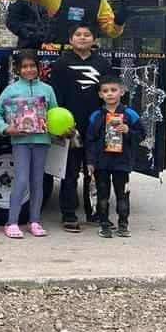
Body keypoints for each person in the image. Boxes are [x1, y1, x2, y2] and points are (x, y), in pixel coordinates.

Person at [46, 23, 112, 230]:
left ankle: (95, 212)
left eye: (87, 34)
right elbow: (55, 99)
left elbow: (110, 95)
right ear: (70, 39)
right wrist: (61, 126)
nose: (82, 38)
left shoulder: (102, 64)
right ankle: (69, 214)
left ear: (94, 39)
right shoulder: (61, 64)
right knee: (70, 172)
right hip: (71, 129)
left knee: (96, 172)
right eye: (78, 34)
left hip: (97, 127)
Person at [0, 50, 58, 239]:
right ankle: (11, 222)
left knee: (37, 182)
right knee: (20, 181)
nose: (29, 70)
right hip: (20, 142)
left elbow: (54, 114)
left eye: (32, 66)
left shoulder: (47, 90)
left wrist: (63, 129)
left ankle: (34, 221)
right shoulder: (11, 90)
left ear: (39, 67)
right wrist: (5, 128)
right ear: (18, 69)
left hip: (42, 141)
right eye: (24, 67)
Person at [85, 74, 146, 239]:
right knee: (103, 194)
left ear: (122, 92)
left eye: (113, 90)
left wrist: (128, 131)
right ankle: (104, 224)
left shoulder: (130, 114)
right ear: (100, 95)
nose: (110, 94)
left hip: (122, 162)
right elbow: (89, 140)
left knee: (122, 194)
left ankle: (123, 224)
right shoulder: (96, 115)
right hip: (101, 163)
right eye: (105, 91)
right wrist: (90, 161)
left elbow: (142, 134)